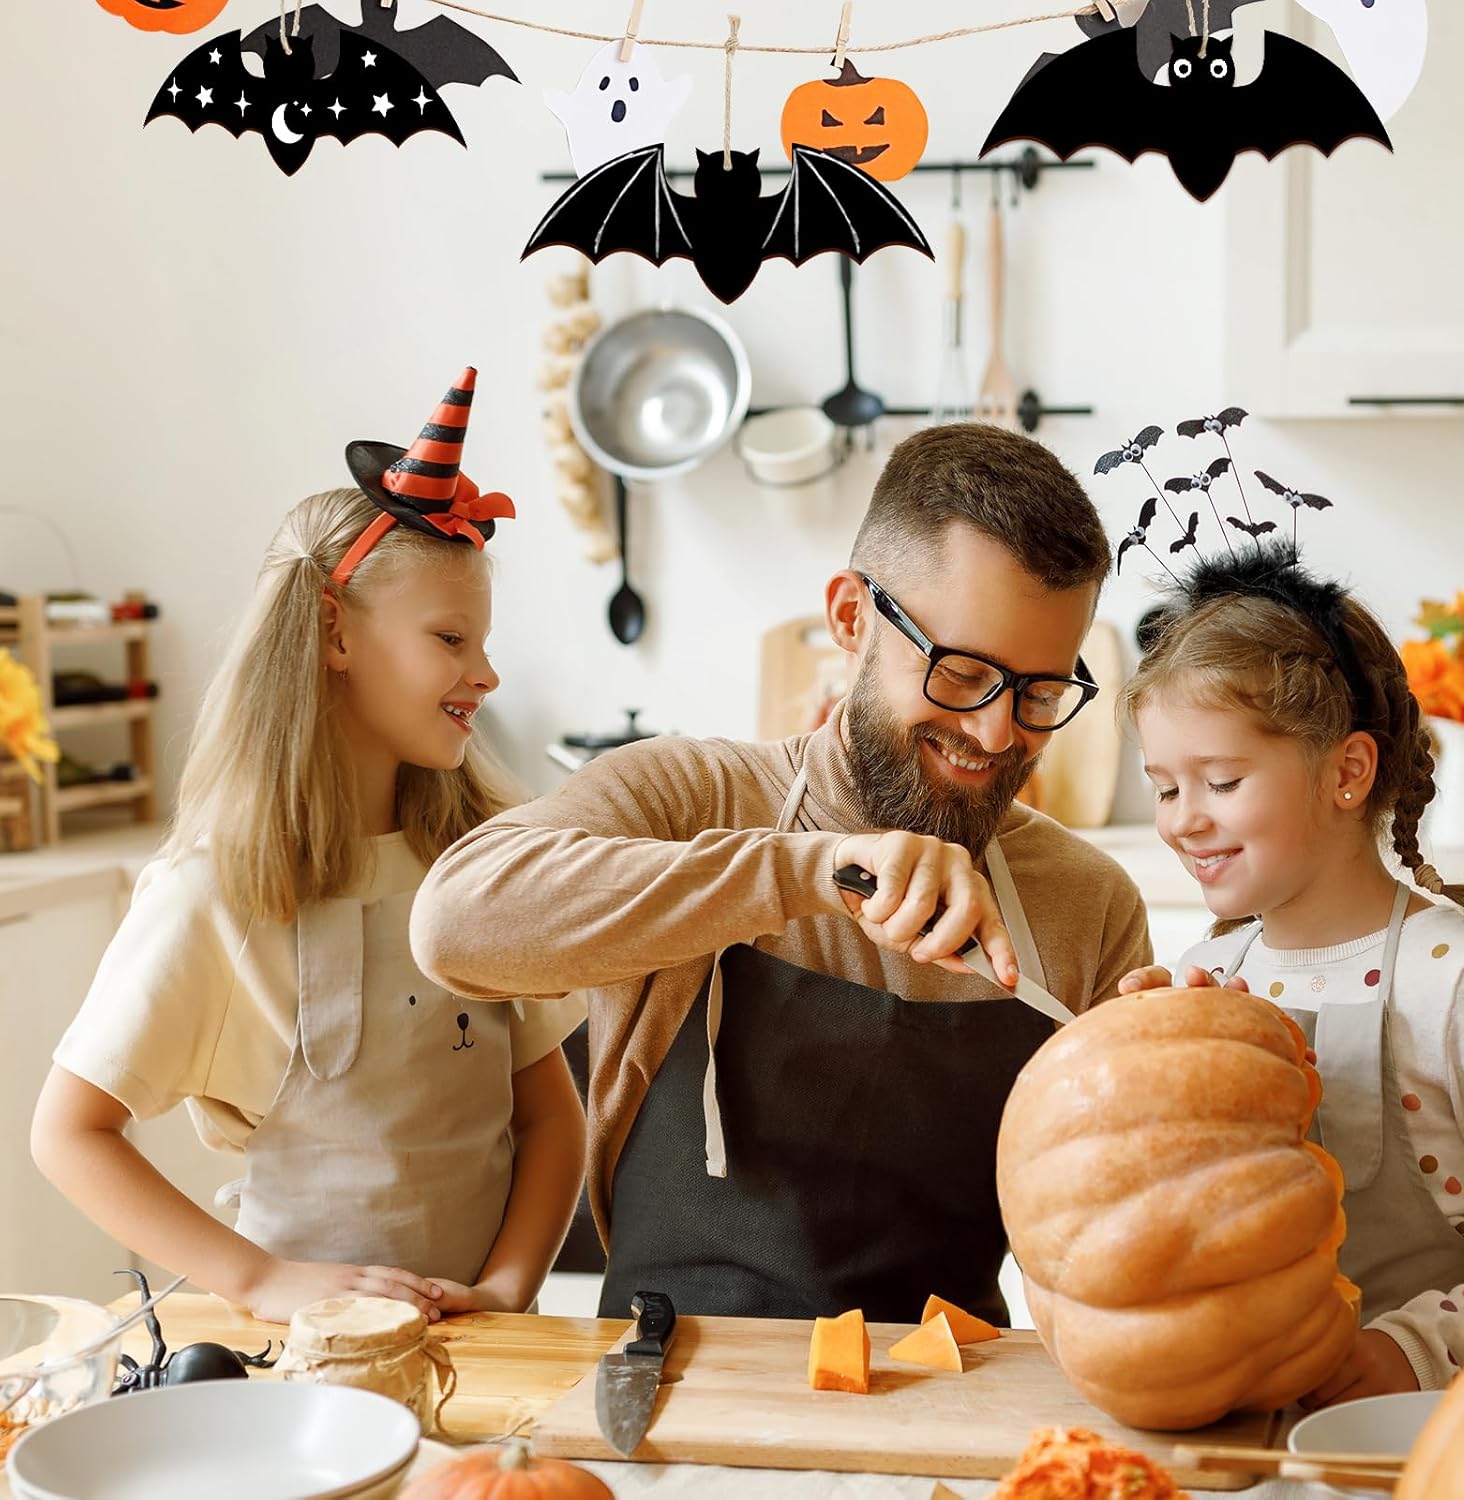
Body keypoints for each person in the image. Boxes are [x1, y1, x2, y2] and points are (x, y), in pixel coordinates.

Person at [411, 422, 1152, 1323]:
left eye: (1039, 694)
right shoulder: (687, 796)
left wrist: (1180, 1076)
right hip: (671, 1384)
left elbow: (1117, 1240)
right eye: (962, 673)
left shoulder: (1087, 901)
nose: (999, 735)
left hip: (952, 1396)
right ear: (850, 618)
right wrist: (811, 872)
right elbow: (455, 925)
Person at [32, 369, 586, 1323]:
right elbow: (69, 1134)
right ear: (335, 631)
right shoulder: (214, 892)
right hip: (310, 1372)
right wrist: (257, 1280)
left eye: (481, 641)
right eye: (451, 638)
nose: (485, 673)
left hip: (489, 1344)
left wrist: (504, 1290)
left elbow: (548, 1119)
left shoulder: (481, 864)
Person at [1117, 536, 1464, 1403]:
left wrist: (1411, 1352)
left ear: (1348, 773)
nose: (1183, 821)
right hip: (1256, 1414)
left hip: (1437, 1426)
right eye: (1166, 787)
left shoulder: (1463, 982)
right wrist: (1148, 1074)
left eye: (1219, 780)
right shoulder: (1208, 972)